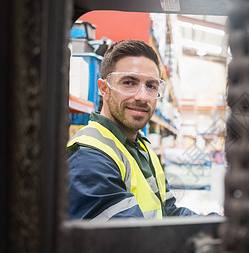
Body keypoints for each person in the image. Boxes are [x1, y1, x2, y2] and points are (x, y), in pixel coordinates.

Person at [68, 39, 214, 220]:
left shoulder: (142, 150)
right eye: (129, 82)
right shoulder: (89, 157)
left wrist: (218, 225)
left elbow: (167, 211)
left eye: (151, 86)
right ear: (104, 89)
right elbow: (129, 241)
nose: (142, 96)